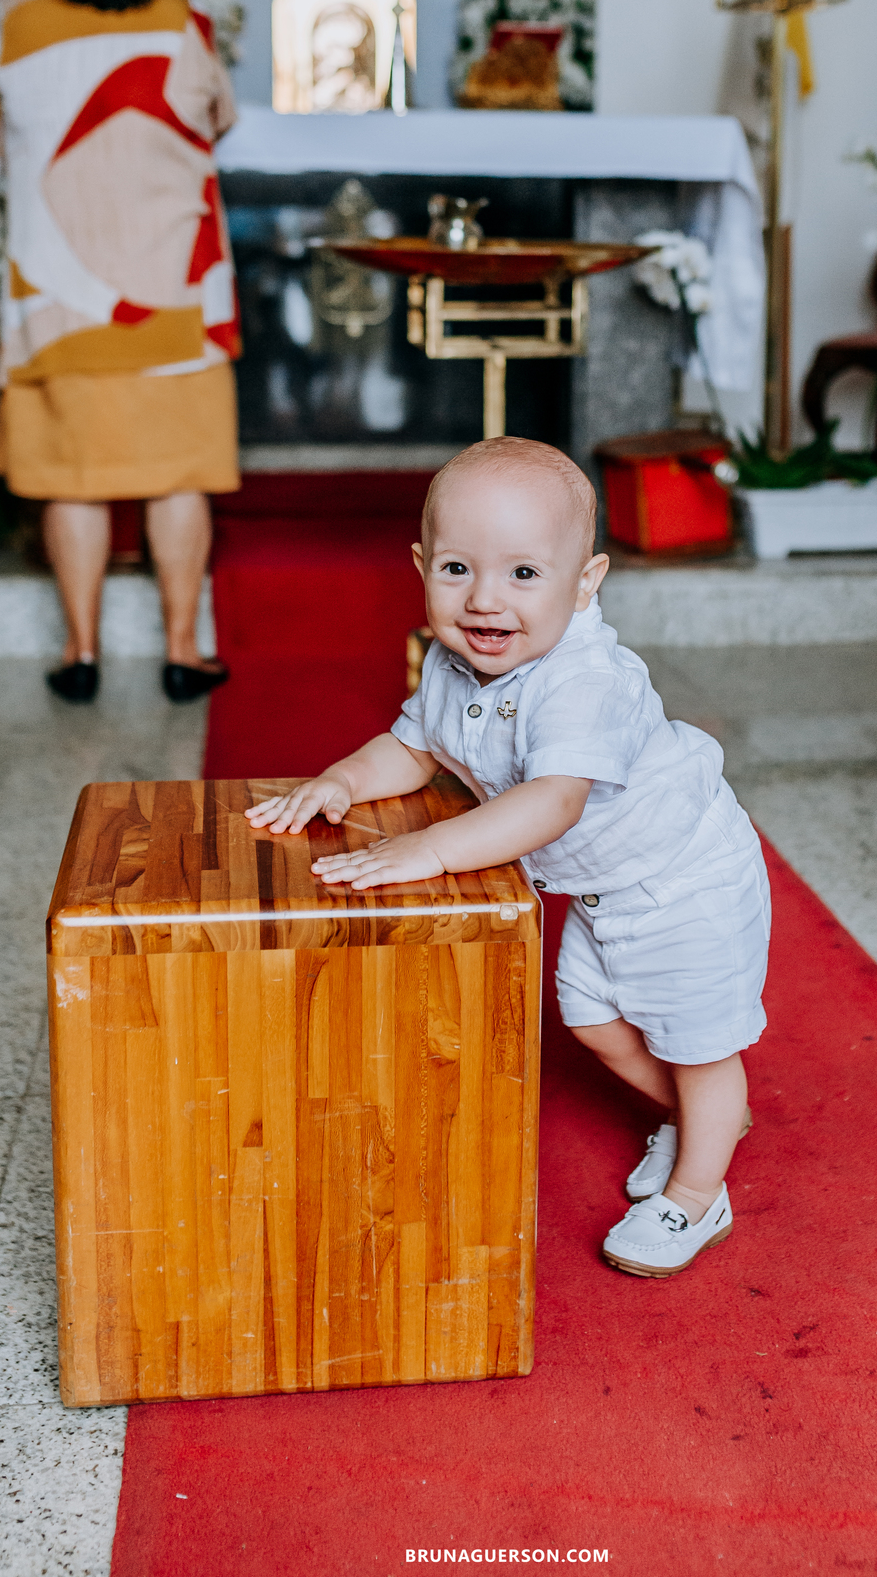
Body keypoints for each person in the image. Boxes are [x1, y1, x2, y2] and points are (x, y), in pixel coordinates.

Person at [245, 437, 770, 1278]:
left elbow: (554, 799)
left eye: (524, 574)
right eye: (457, 569)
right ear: (421, 566)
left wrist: (433, 849)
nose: (486, 601)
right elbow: (410, 747)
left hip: (684, 879)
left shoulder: (584, 676)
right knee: (596, 1022)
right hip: (603, 891)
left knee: (698, 1041)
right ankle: (704, 1117)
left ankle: (698, 1193)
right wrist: (341, 782)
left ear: (586, 581)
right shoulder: (460, 660)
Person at [0, 0, 240, 703]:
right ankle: (179, 650)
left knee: (71, 478)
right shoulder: (184, 24)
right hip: (170, 299)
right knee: (176, 476)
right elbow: (216, 123)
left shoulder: (14, 25)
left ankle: (81, 651)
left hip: (54, 303)